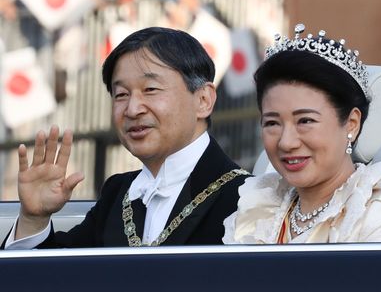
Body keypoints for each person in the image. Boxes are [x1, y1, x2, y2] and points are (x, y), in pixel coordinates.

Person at [3, 27, 250, 249]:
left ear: (203, 100)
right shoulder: (118, 193)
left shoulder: (246, 197)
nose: (132, 109)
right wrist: (33, 219)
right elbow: (57, 276)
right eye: (121, 94)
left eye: (150, 89)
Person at [223, 23, 381, 244]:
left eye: (305, 121)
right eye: (272, 123)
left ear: (351, 123)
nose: (287, 142)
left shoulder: (380, 214)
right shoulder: (258, 211)